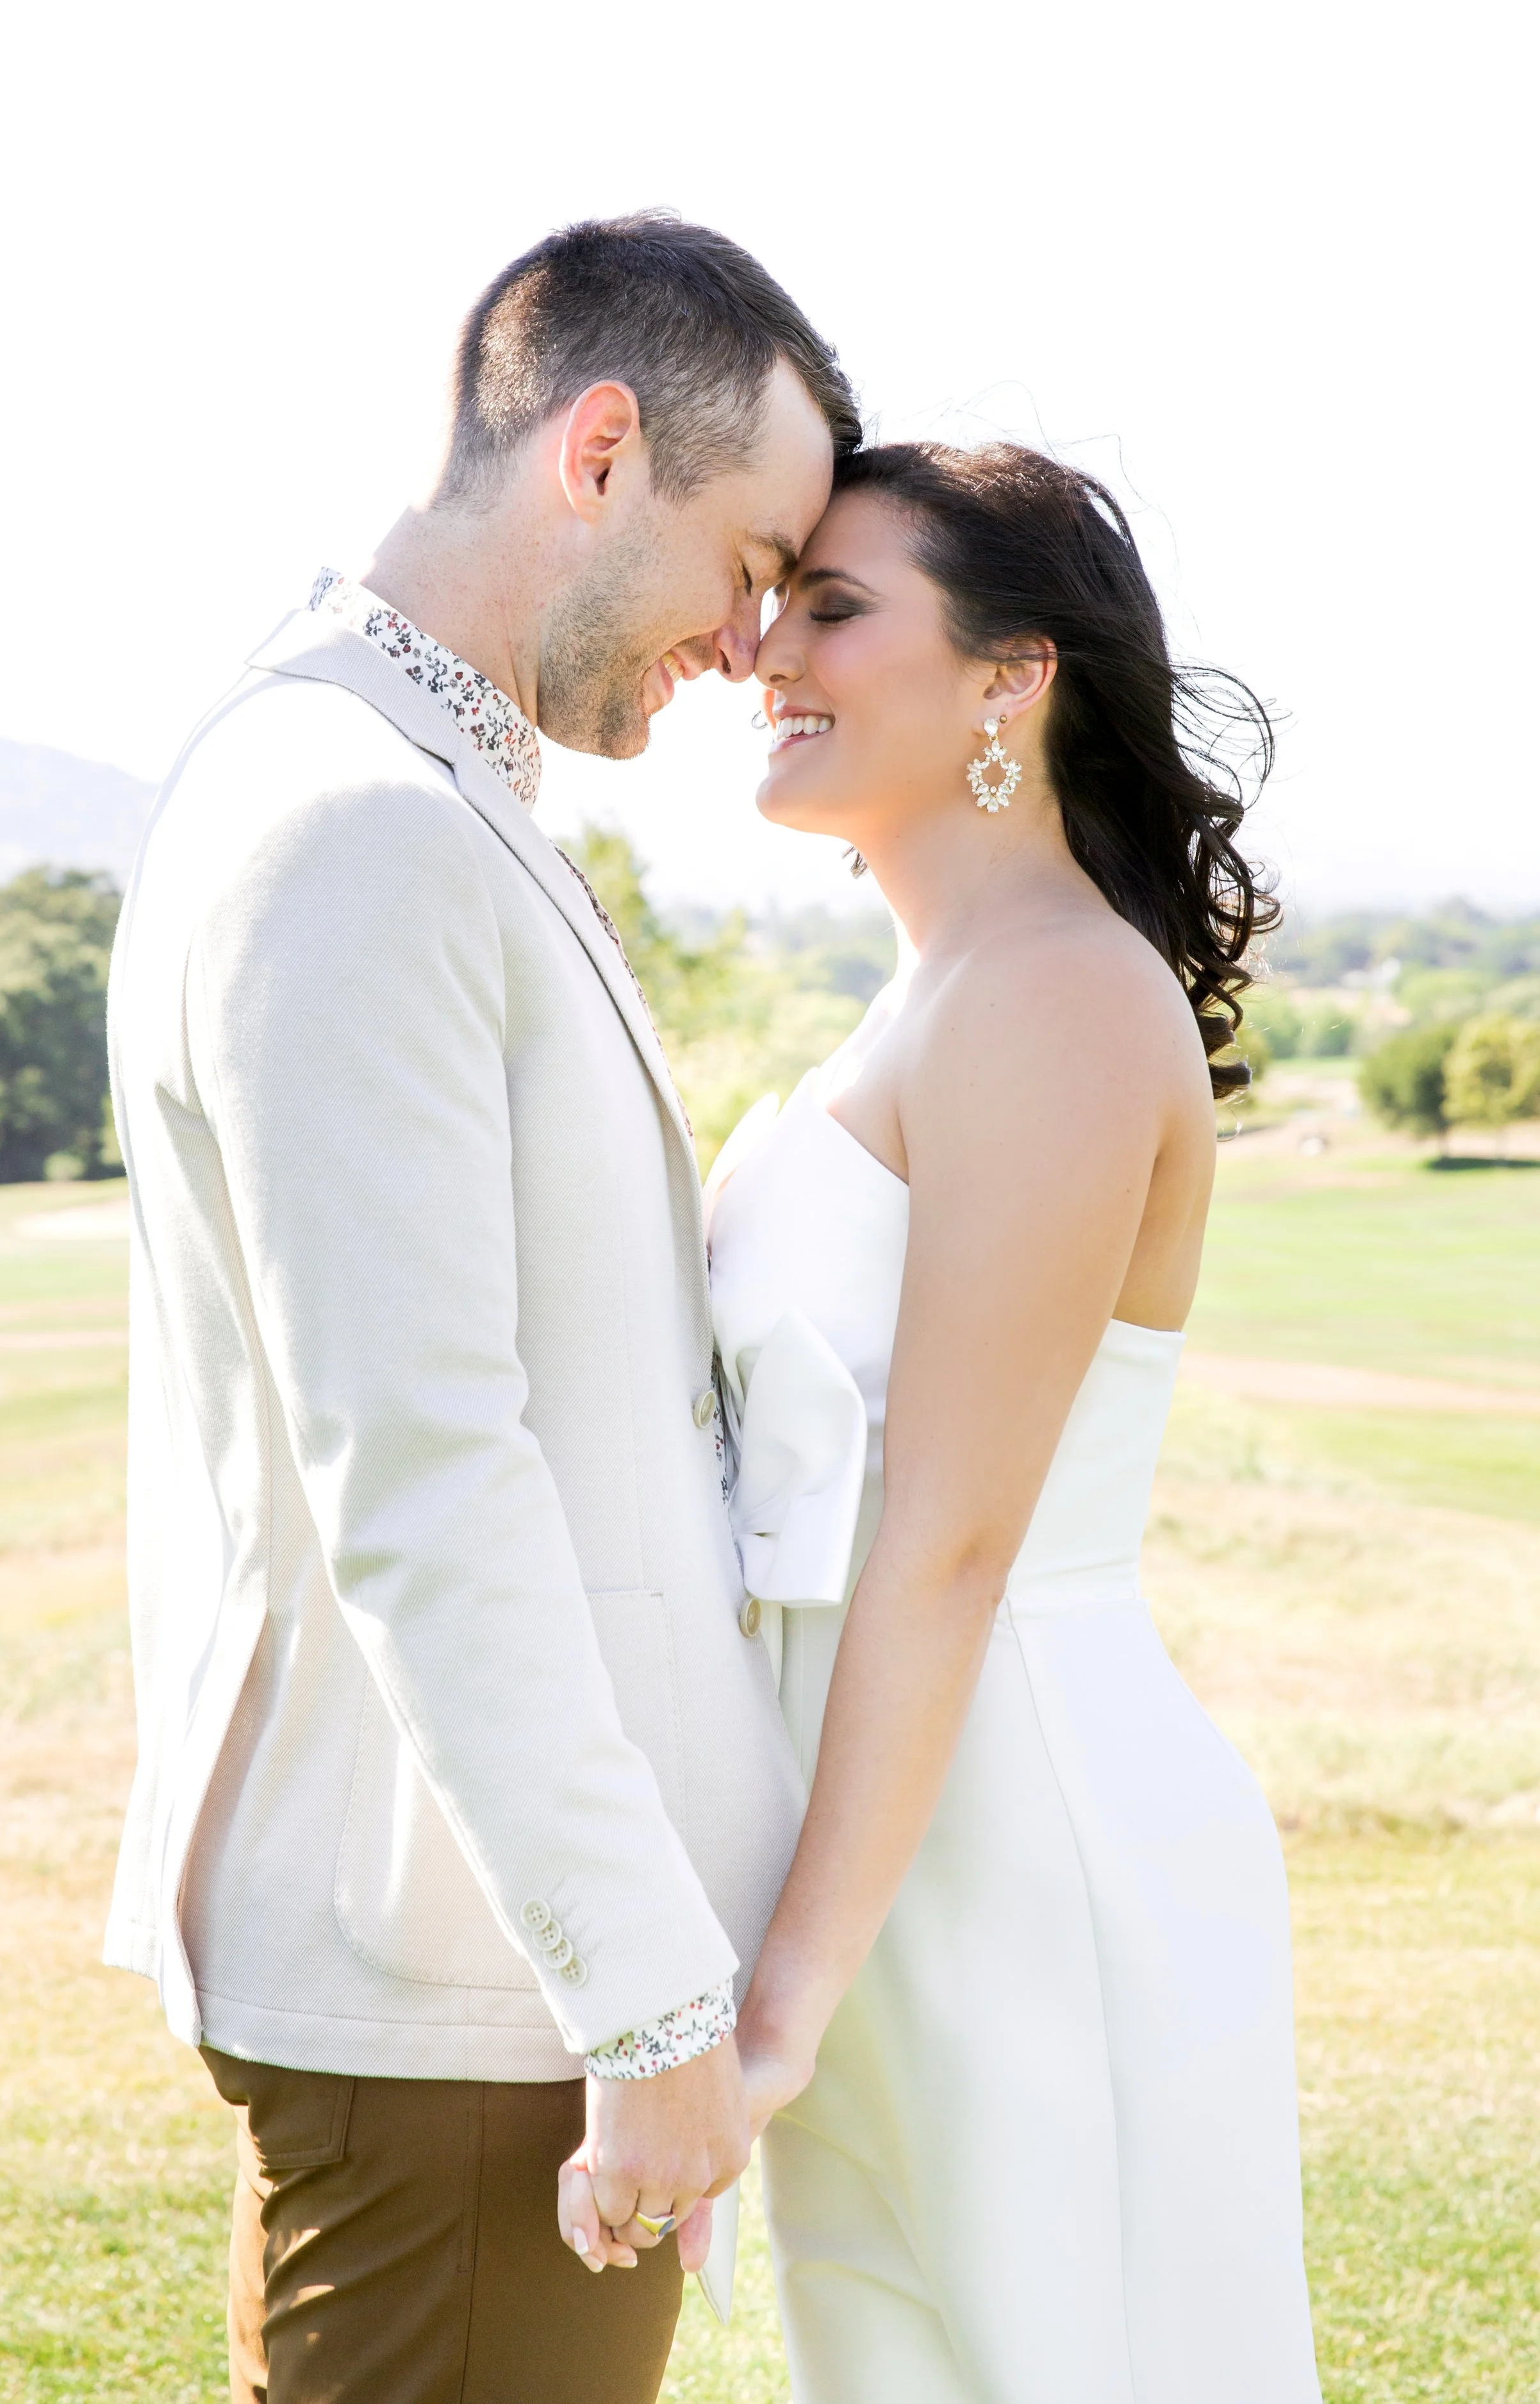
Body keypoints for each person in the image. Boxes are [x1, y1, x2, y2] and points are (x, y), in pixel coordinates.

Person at [103, 212, 857, 2404]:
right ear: (599, 449)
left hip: (495, 1980)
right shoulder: (354, 826)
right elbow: (422, 1477)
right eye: (749, 557)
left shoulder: (423, 791)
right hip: (465, 1992)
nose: (751, 639)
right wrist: (644, 2002)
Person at [704, 441, 1323, 2401]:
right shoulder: (912, 1003)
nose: (759, 651)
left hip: (1022, 1835)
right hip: (869, 1841)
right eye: (772, 598)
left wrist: (787, 1992)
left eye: (832, 605)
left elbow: (955, 1536)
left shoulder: (1055, 993)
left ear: (1009, 676)